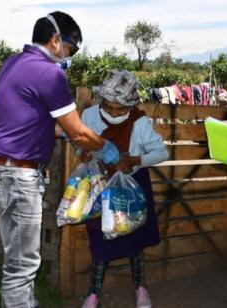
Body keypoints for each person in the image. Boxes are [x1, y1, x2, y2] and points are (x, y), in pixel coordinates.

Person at [0, 11, 120, 308]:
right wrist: (105, 147)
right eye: (72, 48)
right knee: (22, 265)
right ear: (56, 40)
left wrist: (70, 136)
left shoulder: (13, 64)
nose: (71, 56)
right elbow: (80, 132)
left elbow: (30, 121)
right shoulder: (49, 73)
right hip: (16, 176)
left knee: (17, 256)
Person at [77, 70, 169, 308]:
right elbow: (81, 146)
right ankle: (93, 294)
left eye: (121, 109)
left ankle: (141, 289)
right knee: (100, 238)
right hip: (100, 186)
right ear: (100, 102)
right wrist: (85, 153)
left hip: (132, 187)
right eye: (108, 107)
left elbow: (161, 153)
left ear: (131, 105)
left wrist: (134, 161)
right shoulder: (89, 116)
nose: (114, 113)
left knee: (134, 240)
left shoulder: (139, 123)